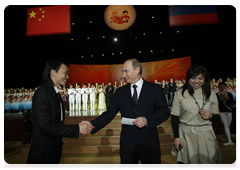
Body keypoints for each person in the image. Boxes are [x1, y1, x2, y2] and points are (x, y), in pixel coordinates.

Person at [81, 58, 170, 168]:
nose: (123, 74)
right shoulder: (120, 92)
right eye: (123, 71)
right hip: (128, 144)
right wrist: (92, 124)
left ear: (137, 70)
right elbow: (110, 113)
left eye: (126, 71)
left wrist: (148, 120)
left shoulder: (155, 89)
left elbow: (164, 111)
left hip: (149, 143)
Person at [26, 58, 93, 168]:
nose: (67, 76)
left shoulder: (54, 93)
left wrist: (78, 127)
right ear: (53, 72)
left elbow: (57, 124)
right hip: (43, 156)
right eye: (65, 72)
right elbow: (45, 126)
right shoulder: (43, 93)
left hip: (52, 152)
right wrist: (77, 129)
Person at [171, 64, 221, 168]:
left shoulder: (210, 93)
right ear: (188, 78)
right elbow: (175, 116)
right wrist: (177, 137)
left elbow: (217, 117)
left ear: (205, 79)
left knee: (206, 164)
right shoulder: (181, 93)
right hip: (186, 135)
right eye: (193, 78)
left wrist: (211, 115)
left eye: (200, 78)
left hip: (206, 135)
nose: (196, 81)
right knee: (185, 164)